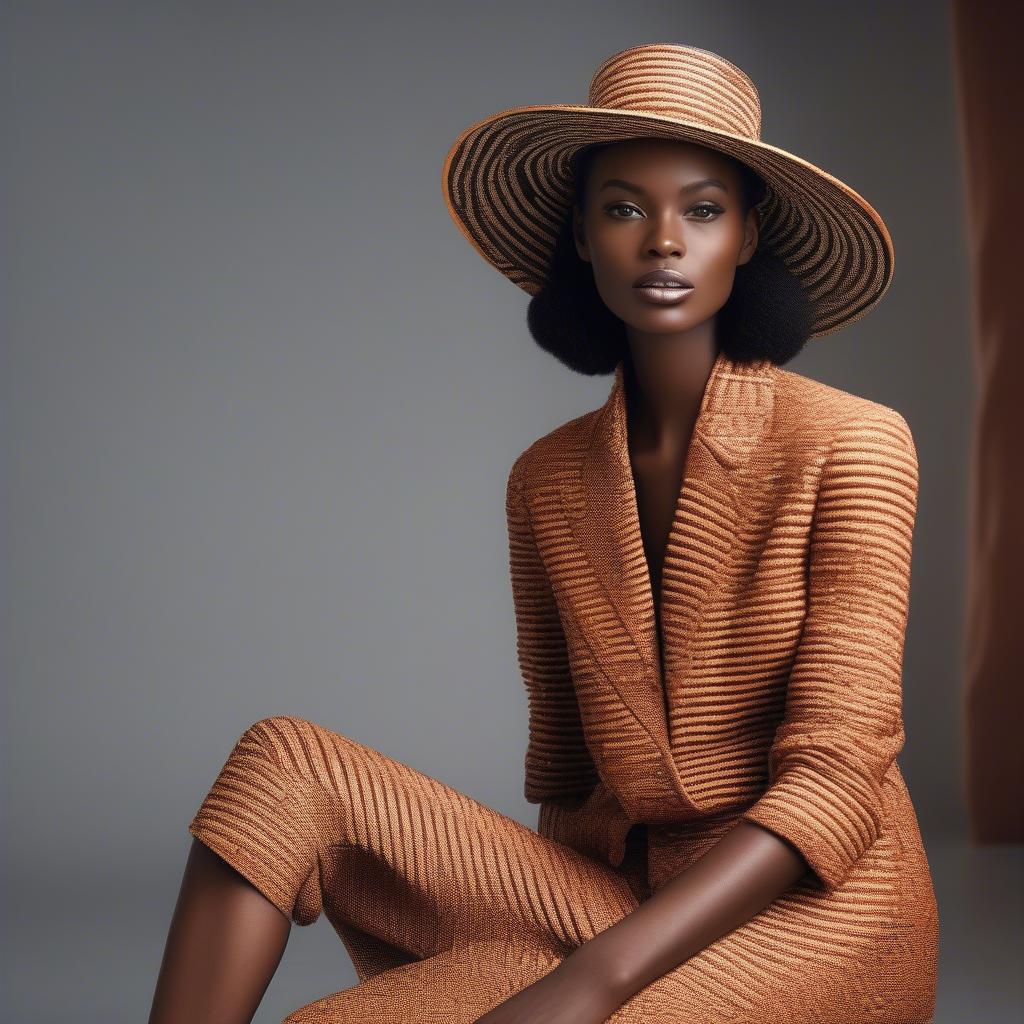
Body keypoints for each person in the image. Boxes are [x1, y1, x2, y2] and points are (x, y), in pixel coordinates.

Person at [148, 43, 938, 1024]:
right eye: (622, 207)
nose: (661, 241)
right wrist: (517, 956)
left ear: (746, 235)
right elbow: (569, 785)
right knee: (283, 769)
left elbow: (834, 784)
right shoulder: (547, 479)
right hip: (623, 902)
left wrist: (588, 982)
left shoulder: (854, 443)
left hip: (819, 922)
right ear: (579, 235)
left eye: (701, 208)